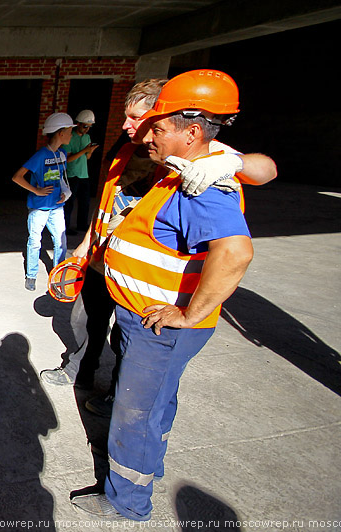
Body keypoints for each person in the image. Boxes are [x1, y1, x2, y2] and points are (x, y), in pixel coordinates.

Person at [70, 69, 269, 521]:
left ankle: (127, 501)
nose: (147, 134)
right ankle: (146, 467)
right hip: (146, 318)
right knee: (154, 401)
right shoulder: (185, 166)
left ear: (192, 132)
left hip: (159, 325)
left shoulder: (204, 184)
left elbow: (235, 252)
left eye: (157, 127)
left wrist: (187, 312)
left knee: (134, 413)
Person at [40, 79, 277, 415]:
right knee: (86, 319)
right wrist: (85, 247)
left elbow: (267, 169)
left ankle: (117, 395)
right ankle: (81, 370)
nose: (126, 125)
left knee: (129, 339)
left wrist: (233, 163)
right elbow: (106, 203)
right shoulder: (125, 150)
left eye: (136, 118)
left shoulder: (202, 155)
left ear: (161, 117)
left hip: (144, 279)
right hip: (101, 260)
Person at [12, 112, 72, 291]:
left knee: (61, 242)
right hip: (39, 208)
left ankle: (58, 277)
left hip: (57, 206)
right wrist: (36, 190)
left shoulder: (62, 153)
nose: (71, 135)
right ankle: (31, 275)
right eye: (69, 131)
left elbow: (61, 178)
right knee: (35, 241)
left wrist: (66, 192)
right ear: (60, 133)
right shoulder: (40, 156)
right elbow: (17, 177)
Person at [62, 110, 100, 234]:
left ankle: (82, 224)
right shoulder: (69, 137)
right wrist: (85, 150)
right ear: (78, 124)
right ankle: (65, 227)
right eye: (85, 126)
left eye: (89, 127)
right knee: (69, 203)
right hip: (72, 174)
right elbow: (67, 159)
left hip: (84, 173)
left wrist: (90, 151)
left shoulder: (87, 137)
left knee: (85, 202)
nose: (87, 129)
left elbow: (87, 157)